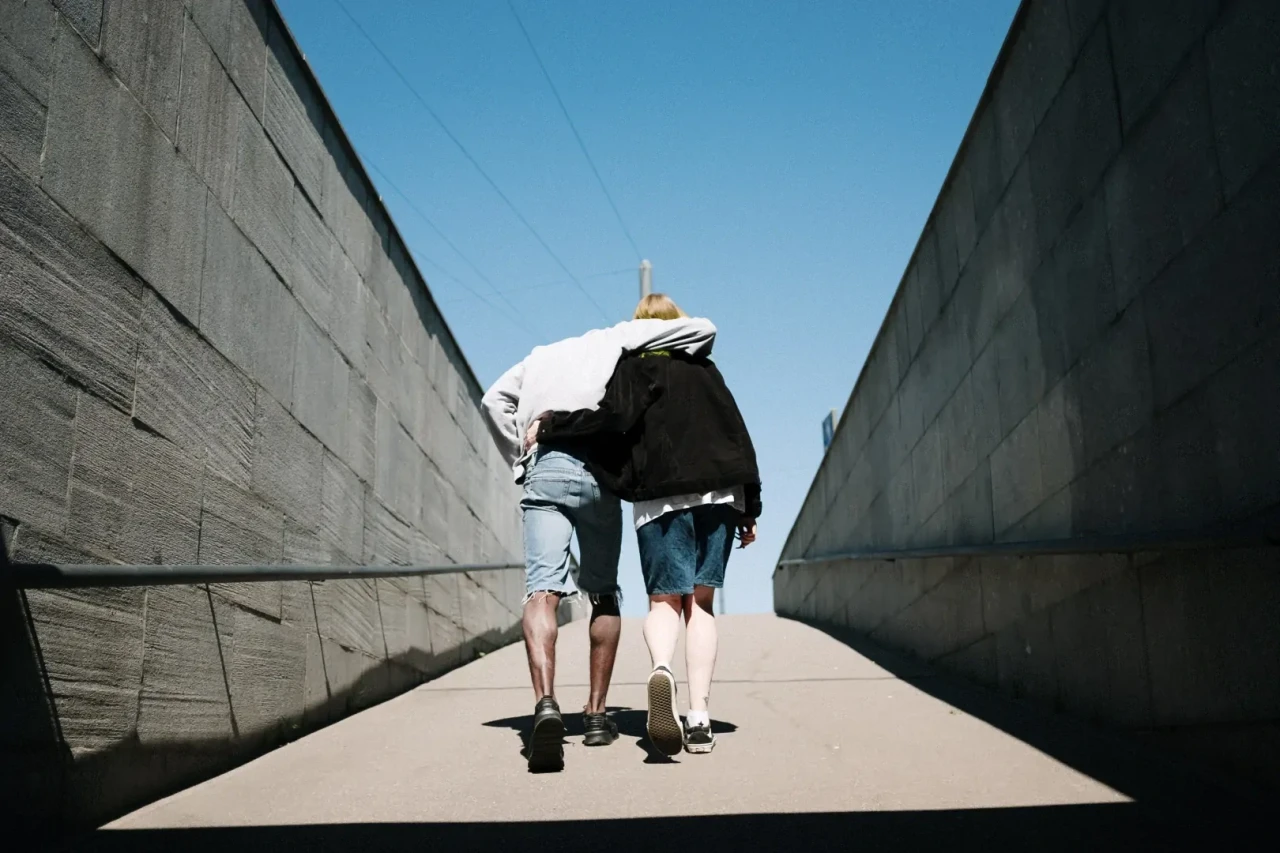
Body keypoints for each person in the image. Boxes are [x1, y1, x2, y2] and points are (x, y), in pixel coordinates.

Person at [481, 311, 718, 772]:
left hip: (546, 468)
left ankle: (546, 703)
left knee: (542, 591)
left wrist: (519, 457)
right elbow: (704, 328)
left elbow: (493, 401)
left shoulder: (537, 358)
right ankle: (594, 717)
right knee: (603, 593)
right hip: (599, 478)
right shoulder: (617, 338)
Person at [530, 293, 760, 757]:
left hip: (662, 496)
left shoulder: (634, 369)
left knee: (664, 602)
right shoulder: (706, 371)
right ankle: (698, 718)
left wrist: (552, 426)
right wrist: (750, 506)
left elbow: (609, 420)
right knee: (702, 604)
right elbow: (738, 434)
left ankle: (660, 668)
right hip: (720, 490)